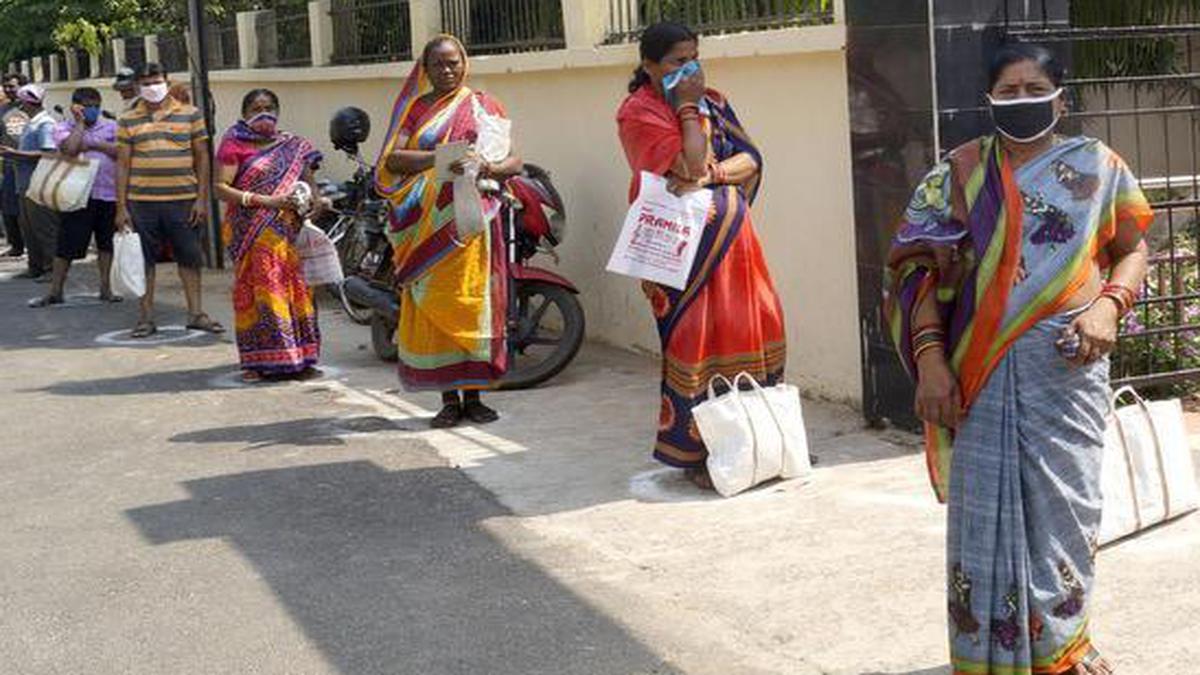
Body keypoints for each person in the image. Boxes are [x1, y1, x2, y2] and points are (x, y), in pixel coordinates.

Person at [884, 44, 1152, 675]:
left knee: (1069, 513)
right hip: (977, 373)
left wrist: (1110, 305)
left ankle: (1065, 646)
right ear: (989, 99)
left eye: (1036, 88)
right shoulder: (958, 173)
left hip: (1068, 371)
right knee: (984, 514)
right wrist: (929, 362)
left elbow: (1134, 248)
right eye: (1008, 91)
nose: (1022, 99)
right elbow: (914, 271)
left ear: (1061, 97)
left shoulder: (1098, 167)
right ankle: (985, 656)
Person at [616, 22, 786, 490]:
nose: (688, 70)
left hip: (734, 246)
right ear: (649, 67)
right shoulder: (639, 112)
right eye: (675, 62)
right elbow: (686, 163)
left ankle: (761, 443)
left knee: (756, 329)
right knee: (697, 347)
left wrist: (709, 176)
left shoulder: (718, 101)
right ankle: (698, 455)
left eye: (693, 59)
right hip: (678, 256)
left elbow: (750, 159)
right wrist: (687, 107)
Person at [375, 34, 523, 428]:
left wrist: (485, 167)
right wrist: (444, 158)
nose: (447, 70)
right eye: (438, 64)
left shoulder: (483, 106)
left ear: (465, 63)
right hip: (425, 229)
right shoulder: (416, 110)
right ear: (425, 70)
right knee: (433, 303)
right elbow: (393, 159)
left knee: (473, 303)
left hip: (472, 225)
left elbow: (513, 160)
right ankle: (448, 400)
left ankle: (473, 398)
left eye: (454, 62)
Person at [214, 89, 323, 382]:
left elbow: (310, 184)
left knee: (295, 291)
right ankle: (256, 360)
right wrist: (265, 201)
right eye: (255, 108)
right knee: (258, 293)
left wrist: (315, 203)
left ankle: (301, 357)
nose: (263, 113)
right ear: (245, 113)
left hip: (288, 233)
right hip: (249, 232)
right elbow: (221, 187)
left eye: (269, 107)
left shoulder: (294, 146)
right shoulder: (233, 144)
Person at [115, 62, 223, 337]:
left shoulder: (191, 114)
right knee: (144, 261)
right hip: (141, 202)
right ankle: (146, 317)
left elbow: (202, 157)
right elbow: (123, 165)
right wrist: (121, 207)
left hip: (184, 200)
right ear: (137, 86)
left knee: (189, 258)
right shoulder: (128, 119)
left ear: (166, 79)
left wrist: (201, 199)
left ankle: (196, 313)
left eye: (156, 80)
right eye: (146, 82)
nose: (152, 87)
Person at [28, 87, 121, 307]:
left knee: (106, 244)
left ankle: (106, 288)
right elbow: (70, 149)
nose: (93, 111)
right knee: (67, 245)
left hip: (108, 194)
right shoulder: (63, 127)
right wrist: (79, 125)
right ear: (76, 107)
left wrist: (95, 144)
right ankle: (56, 290)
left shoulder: (111, 126)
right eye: (88, 106)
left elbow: (120, 151)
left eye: (96, 106)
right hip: (77, 196)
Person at [0, 83, 60, 280]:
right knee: (29, 228)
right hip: (25, 184)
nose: (20, 107)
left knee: (44, 228)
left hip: (38, 184)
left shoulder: (45, 124)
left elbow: (48, 153)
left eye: (22, 103)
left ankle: (51, 269)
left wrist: (15, 153)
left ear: (29, 103)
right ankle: (35, 266)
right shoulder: (32, 122)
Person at [1, 72, 30, 257]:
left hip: (30, 163)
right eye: (6, 86)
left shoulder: (31, 108)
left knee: (28, 209)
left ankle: (33, 247)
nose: (8, 89)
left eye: (12, 86)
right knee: (8, 207)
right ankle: (16, 245)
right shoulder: (2, 109)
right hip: (9, 164)